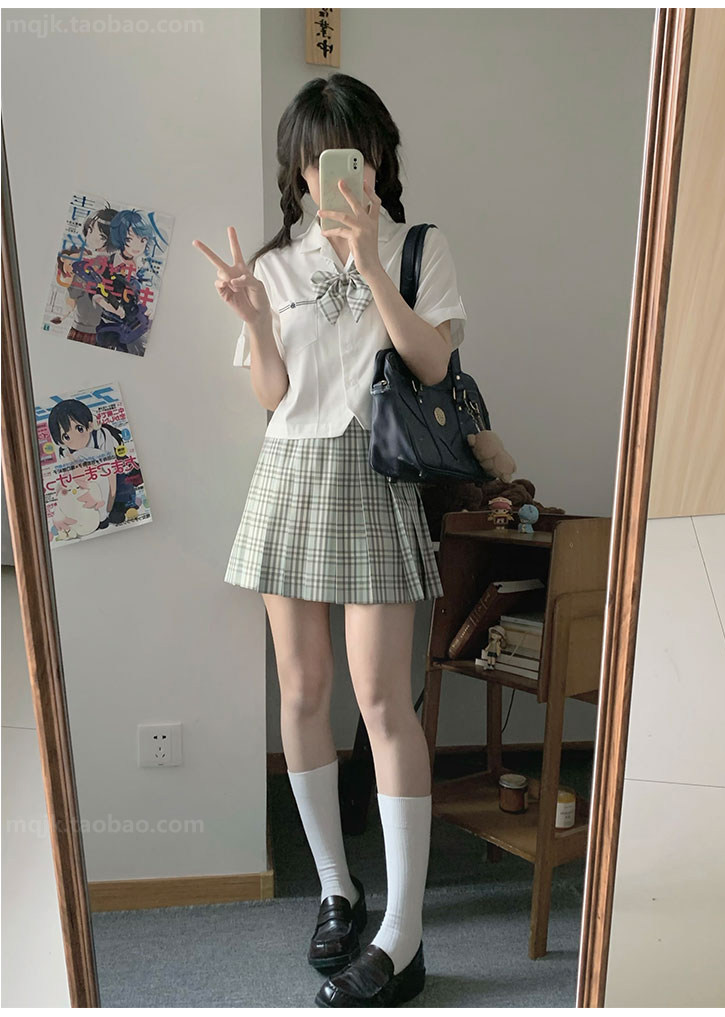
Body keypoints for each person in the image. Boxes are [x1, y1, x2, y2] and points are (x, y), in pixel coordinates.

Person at [194, 72, 467, 1008]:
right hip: (290, 476)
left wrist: (372, 265)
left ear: (378, 157)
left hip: (378, 477)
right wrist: (254, 319)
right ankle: (338, 890)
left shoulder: (419, 246)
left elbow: (433, 360)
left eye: (355, 153)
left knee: (383, 702)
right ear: (299, 171)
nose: (337, 174)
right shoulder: (274, 265)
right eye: (317, 161)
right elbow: (274, 396)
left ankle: (405, 931)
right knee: (304, 691)